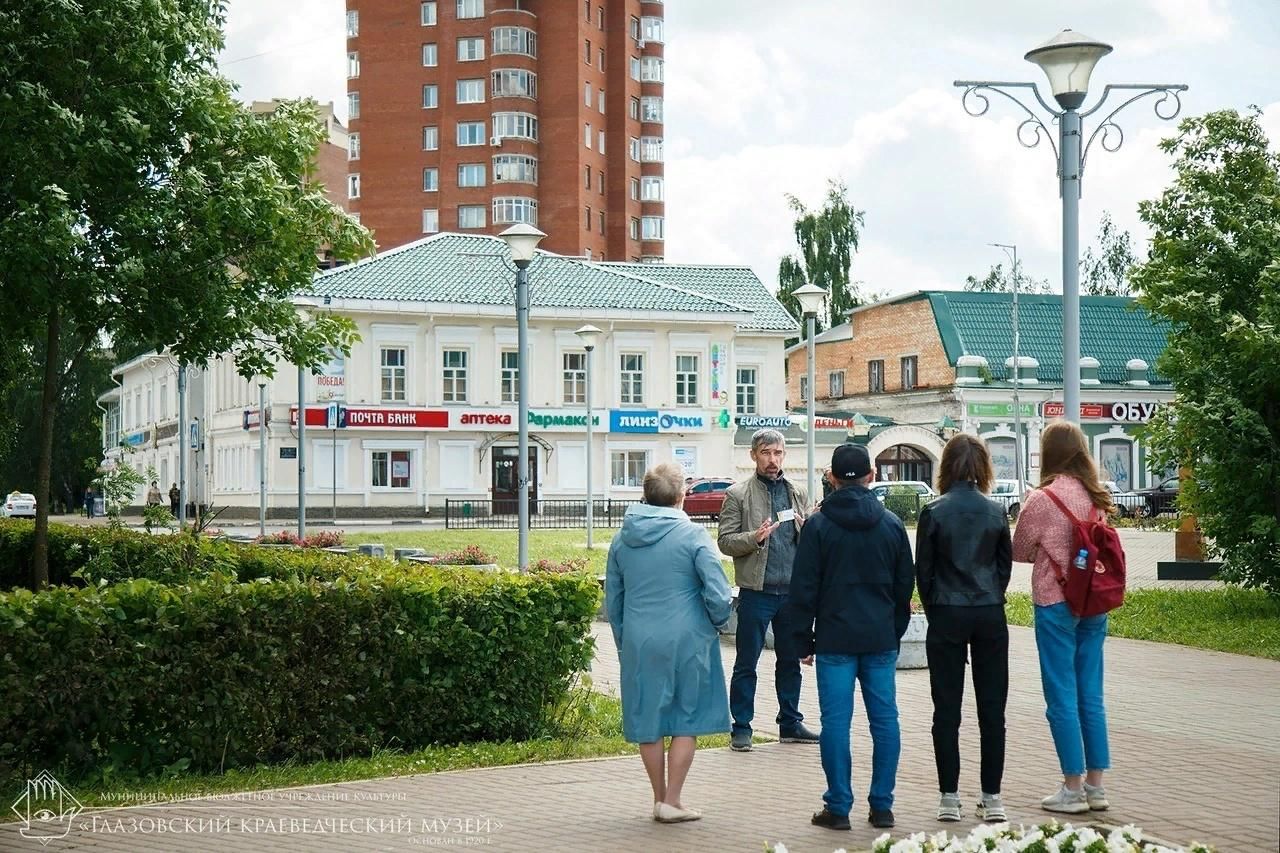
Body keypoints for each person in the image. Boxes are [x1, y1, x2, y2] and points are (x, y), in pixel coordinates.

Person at [783, 444, 914, 832]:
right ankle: (882, 806)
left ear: (833, 478)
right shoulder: (891, 523)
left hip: (835, 639)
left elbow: (802, 588)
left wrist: (802, 641)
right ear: (872, 476)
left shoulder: (819, 527)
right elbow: (904, 584)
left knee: (836, 723)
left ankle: (838, 807)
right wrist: (894, 629)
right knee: (885, 721)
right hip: (879, 638)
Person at [605, 462, 734, 824]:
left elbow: (613, 601)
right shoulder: (693, 537)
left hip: (639, 638)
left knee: (648, 717)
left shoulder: (622, 539)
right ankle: (673, 801)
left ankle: (658, 797)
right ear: (681, 497)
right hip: (688, 637)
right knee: (686, 717)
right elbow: (719, 593)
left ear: (645, 495)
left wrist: (623, 640)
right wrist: (716, 623)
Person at [1012, 421, 1116, 815]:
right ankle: (1096, 787)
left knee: (1061, 695)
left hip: (1056, 603)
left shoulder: (1042, 499)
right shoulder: (1097, 498)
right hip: (1094, 602)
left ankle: (1071, 788)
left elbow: (1019, 550)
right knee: (1091, 693)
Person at [915, 434, 1012, 823]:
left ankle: (949, 798)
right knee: (993, 709)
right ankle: (992, 798)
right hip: (989, 611)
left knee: (946, 709)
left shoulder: (934, 511)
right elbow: (1004, 566)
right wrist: (989, 592)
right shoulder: (996, 510)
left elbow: (925, 571)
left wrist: (937, 608)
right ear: (983, 468)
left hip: (947, 613)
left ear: (946, 467)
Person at [717, 428, 817, 752]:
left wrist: (809, 530)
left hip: (791, 594)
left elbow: (807, 544)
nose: (772, 460)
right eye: (766, 453)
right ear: (754, 455)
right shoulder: (738, 494)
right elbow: (725, 541)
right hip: (756, 593)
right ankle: (741, 727)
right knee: (747, 662)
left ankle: (790, 723)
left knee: (790, 661)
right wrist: (754, 537)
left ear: (784, 455)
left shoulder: (797, 492)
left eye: (778, 453)